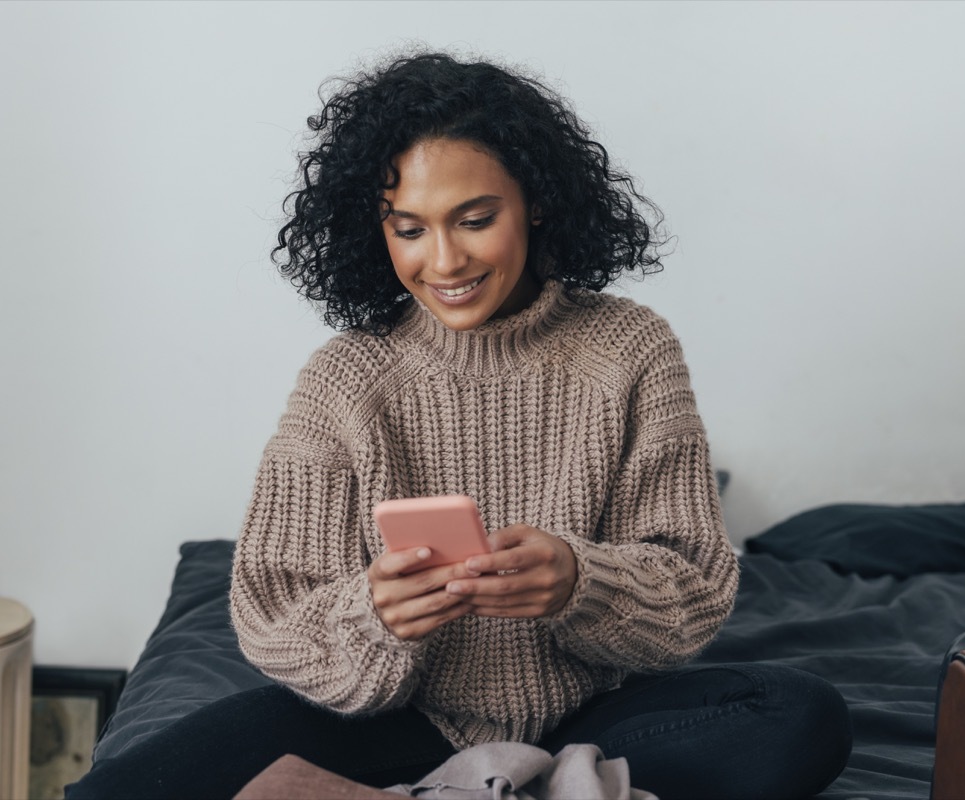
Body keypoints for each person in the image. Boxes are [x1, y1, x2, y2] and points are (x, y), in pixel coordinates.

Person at [72, 51, 852, 799]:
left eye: (474, 219)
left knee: (801, 720)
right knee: (123, 789)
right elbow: (276, 612)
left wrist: (583, 581)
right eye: (408, 228)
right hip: (400, 720)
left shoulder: (631, 350)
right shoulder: (344, 378)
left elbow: (693, 585)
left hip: (594, 721)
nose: (442, 261)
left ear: (536, 200)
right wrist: (373, 615)